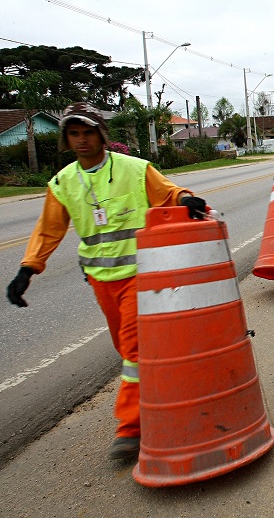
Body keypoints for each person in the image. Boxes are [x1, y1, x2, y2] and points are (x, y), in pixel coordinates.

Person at [6, 102, 207, 461]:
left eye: (88, 132)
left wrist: (186, 198)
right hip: (101, 280)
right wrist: (27, 269)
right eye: (74, 134)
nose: (82, 140)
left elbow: (168, 192)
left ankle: (131, 428)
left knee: (134, 350)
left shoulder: (134, 169)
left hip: (141, 275)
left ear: (101, 135)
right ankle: (163, 391)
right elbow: (48, 229)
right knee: (126, 348)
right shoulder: (63, 183)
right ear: (67, 139)